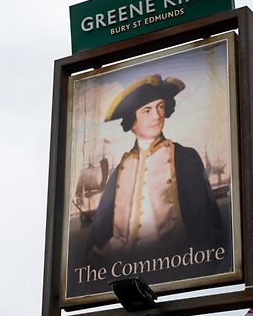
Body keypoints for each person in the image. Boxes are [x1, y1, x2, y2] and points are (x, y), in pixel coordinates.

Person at [87, 74, 225, 262]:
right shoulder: (121, 169)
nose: (157, 115)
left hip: (179, 263)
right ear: (132, 121)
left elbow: (205, 219)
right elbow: (100, 230)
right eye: (147, 110)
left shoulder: (186, 158)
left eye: (160, 106)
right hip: (127, 268)